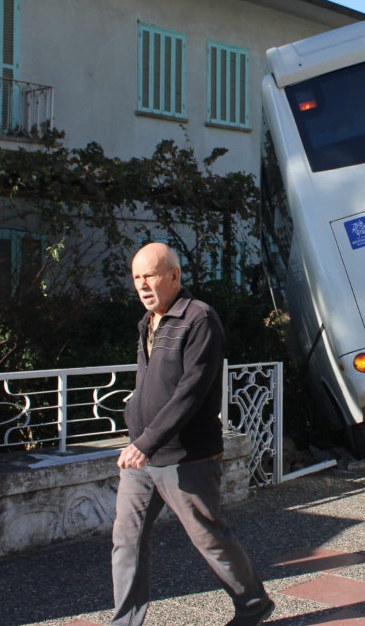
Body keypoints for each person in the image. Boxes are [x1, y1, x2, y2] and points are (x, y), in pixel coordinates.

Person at [111, 243, 273, 626]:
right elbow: (149, 383)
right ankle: (125, 622)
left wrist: (147, 442)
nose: (142, 285)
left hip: (187, 456)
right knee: (127, 541)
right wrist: (137, 429)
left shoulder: (199, 319)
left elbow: (191, 390)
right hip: (142, 456)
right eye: (136, 277)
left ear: (174, 275)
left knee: (210, 539)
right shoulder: (148, 322)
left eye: (149, 275)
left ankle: (254, 605)